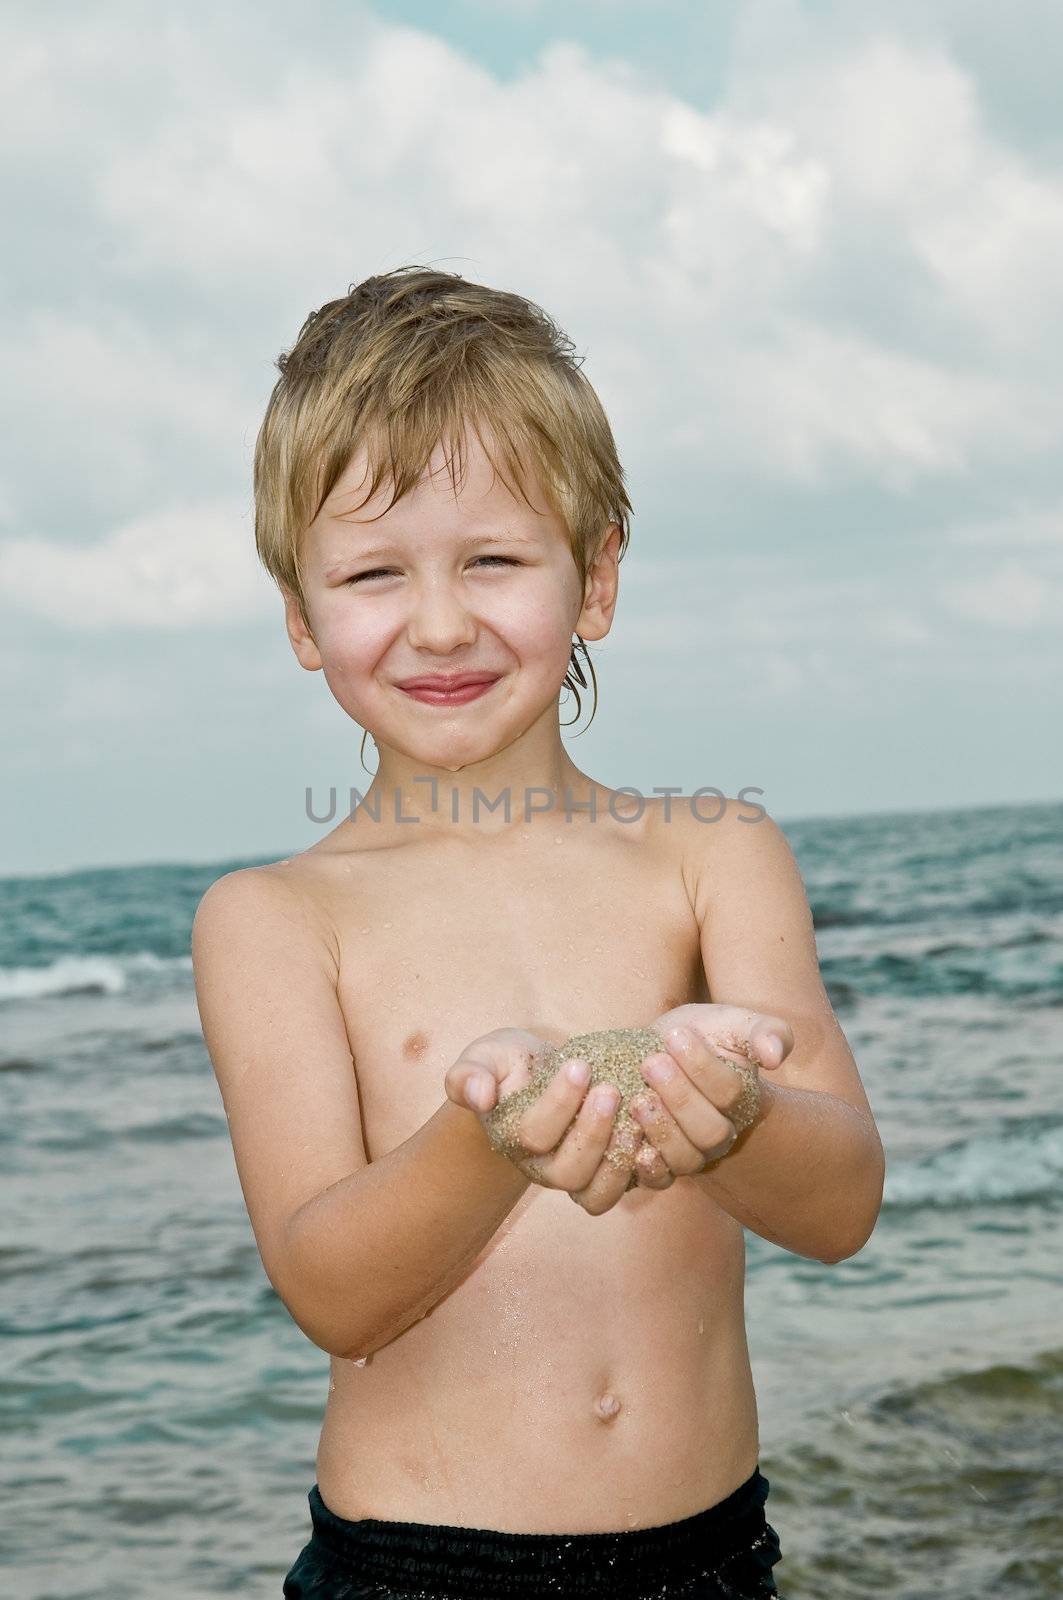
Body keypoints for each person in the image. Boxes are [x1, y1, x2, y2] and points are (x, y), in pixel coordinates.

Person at [191, 265, 886, 1599]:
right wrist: (484, 1141)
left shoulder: (710, 852)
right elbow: (335, 1293)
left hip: (710, 1557)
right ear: (300, 614)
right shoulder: (275, 920)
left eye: (495, 560)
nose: (441, 621)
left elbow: (843, 1201)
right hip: (418, 1571)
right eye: (375, 573)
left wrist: (732, 1120)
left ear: (597, 578)